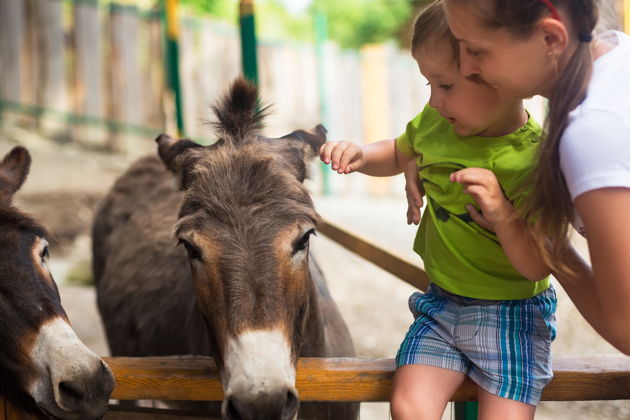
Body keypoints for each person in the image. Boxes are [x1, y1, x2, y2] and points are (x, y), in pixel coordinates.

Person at [319, 2, 556, 419]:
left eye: (445, 85)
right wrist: (360, 153)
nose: (433, 99)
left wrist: (504, 215)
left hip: (513, 318)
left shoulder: (533, 162)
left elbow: (537, 266)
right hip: (443, 305)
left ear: (499, 78)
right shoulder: (436, 122)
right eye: (429, 84)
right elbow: (396, 151)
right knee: (408, 407)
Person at [442, 0, 630, 355]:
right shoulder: (616, 55)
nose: (467, 67)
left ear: (550, 37)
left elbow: (627, 328)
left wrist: (548, 246)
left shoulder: (595, 130)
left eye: (477, 50)